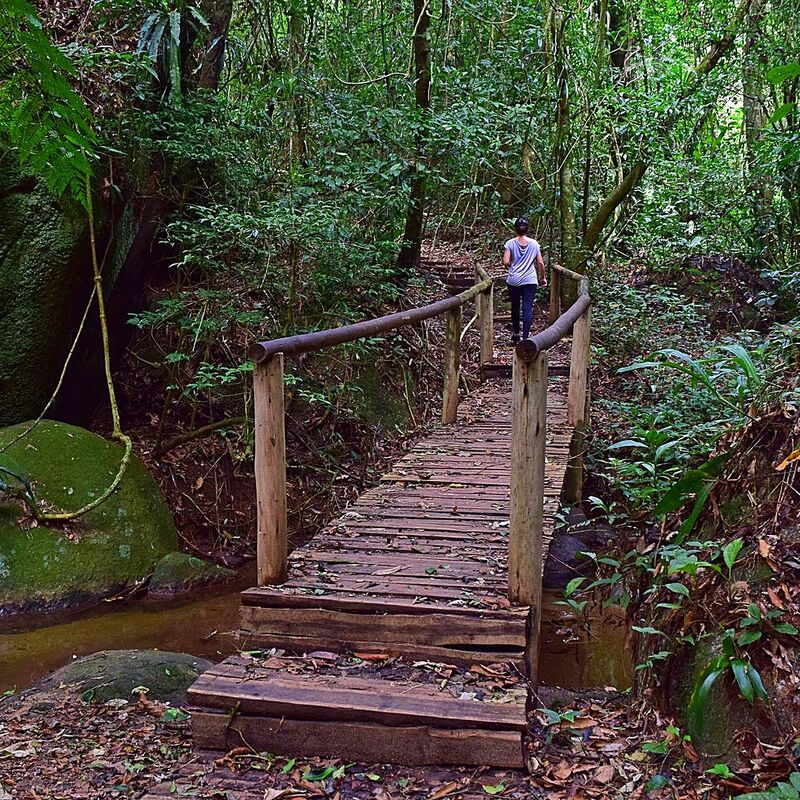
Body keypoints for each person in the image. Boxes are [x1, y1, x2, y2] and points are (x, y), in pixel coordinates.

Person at [503, 217, 547, 344]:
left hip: (514, 280)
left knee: (515, 306)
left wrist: (510, 265)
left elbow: (506, 261)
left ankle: (516, 333)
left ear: (515, 229)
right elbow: (540, 262)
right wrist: (543, 277)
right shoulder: (534, 244)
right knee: (527, 307)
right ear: (527, 229)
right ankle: (526, 337)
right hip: (530, 280)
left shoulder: (510, 243)